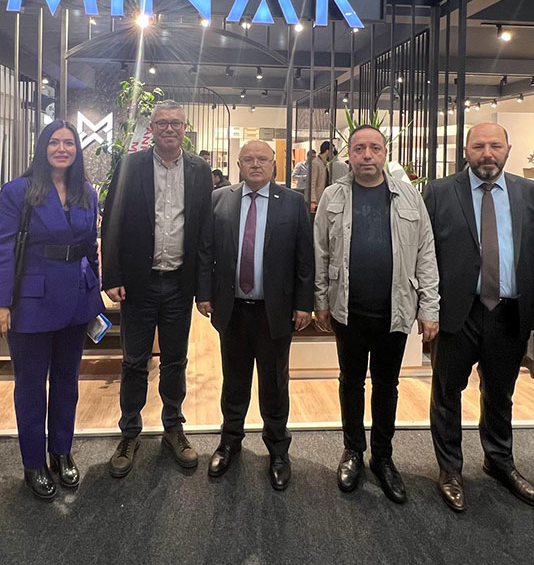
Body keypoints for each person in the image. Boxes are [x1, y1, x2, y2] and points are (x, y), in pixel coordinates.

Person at [423, 123, 534, 513]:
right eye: (478, 146)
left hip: (510, 312)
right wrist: (426, 307)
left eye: (495, 145)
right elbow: (424, 253)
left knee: (500, 393)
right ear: (466, 151)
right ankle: (450, 469)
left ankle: (499, 461)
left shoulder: (530, 192)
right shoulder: (439, 192)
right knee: (447, 393)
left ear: (508, 149)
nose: (487, 153)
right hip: (456, 312)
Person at [312, 125, 439, 504]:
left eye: (374, 148)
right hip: (348, 311)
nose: (367, 155)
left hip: (394, 312)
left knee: (387, 386)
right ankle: (353, 450)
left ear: (385, 153)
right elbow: (320, 252)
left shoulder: (409, 196)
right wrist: (321, 301)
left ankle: (383, 457)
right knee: (350, 382)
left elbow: (426, 253)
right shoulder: (333, 196)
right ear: (348, 155)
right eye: (359, 148)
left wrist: (429, 307)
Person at [0, 120, 105, 502]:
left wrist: (96, 296)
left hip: (77, 299)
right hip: (30, 302)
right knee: (31, 387)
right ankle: (33, 462)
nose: (62, 149)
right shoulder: (18, 191)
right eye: (55, 142)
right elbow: (1, 248)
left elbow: (90, 248)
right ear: (42, 147)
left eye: (69, 143)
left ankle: (61, 451)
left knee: (67, 383)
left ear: (77, 150)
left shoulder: (87, 192)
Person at [101, 100, 214, 477]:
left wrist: (203, 289)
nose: (169, 129)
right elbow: (112, 222)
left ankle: (173, 428)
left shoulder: (199, 170)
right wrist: (112, 276)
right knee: (134, 361)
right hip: (138, 284)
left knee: (175, 360)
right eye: (162, 123)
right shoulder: (130, 166)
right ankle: (130, 432)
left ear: (185, 128)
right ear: (151, 129)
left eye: (175, 123)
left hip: (180, 283)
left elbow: (204, 231)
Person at [206, 141, 314, 490]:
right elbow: (206, 251)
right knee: (234, 381)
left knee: (274, 384)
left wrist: (304, 304)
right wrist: (204, 294)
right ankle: (229, 443)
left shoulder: (293, 203)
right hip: (233, 310)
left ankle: (278, 450)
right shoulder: (219, 199)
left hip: (275, 312)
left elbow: (305, 259)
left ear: (274, 165)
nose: (256, 164)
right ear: (238, 165)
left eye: (262, 159)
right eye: (249, 159)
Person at [308, 141, 348, 212]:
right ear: (327, 151)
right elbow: (312, 182)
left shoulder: (323, 163)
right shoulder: (316, 163)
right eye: (331, 152)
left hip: (322, 198)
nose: (332, 154)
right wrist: (312, 200)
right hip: (316, 200)